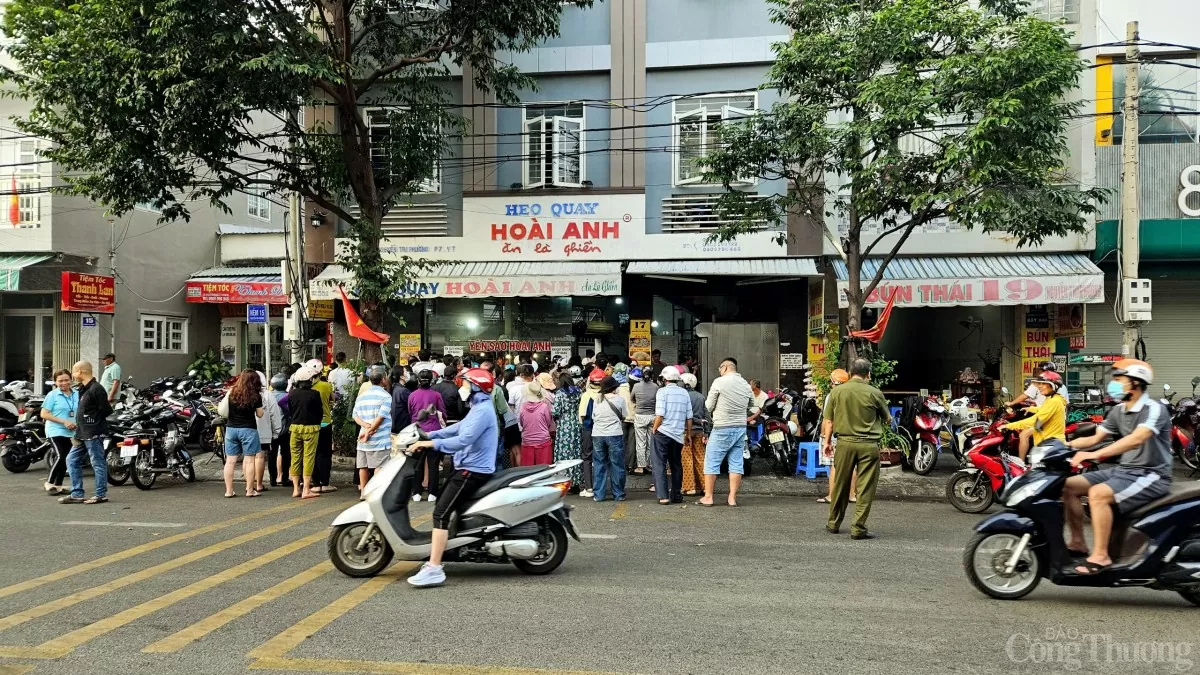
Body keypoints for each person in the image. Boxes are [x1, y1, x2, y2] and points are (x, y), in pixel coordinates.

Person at [1065, 359, 1172, 575]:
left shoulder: (1154, 409)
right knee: (1068, 486)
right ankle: (1078, 542)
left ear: (1136, 382)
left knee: (1098, 494)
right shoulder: (1118, 411)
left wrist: (1094, 455)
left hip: (1151, 474)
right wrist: (1062, 445)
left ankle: (1101, 556)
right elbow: (1095, 438)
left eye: (1118, 379)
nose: (1113, 383)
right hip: (1125, 471)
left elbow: (1136, 439)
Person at [405, 368, 499, 588]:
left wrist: (429, 443)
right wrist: (431, 434)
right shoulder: (478, 407)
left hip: (472, 470)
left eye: (466, 384)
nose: (462, 387)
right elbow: (459, 427)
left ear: (477, 387)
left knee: (440, 513)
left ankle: (434, 568)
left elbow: (463, 439)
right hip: (466, 466)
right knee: (445, 507)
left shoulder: (484, 410)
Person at [822, 358, 891, 540]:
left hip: (844, 443)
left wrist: (827, 442)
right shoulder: (874, 392)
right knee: (865, 487)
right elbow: (888, 419)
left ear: (850, 372)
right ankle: (858, 528)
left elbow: (829, 420)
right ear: (868, 374)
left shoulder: (837, 392)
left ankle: (833, 523)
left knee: (840, 485)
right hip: (869, 446)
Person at [701, 357, 756, 507]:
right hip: (740, 428)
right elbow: (752, 404)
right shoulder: (745, 384)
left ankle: (708, 497)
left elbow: (709, 405)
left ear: (725, 368)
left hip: (722, 427)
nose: (719, 371)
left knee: (712, 461)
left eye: (720, 368)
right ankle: (732, 498)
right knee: (736, 463)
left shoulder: (719, 382)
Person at [59, 361, 110, 504]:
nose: (73, 375)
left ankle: (100, 494)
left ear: (80, 371)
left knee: (97, 462)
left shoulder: (96, 389)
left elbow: (106, 410)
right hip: (82, 433)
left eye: (74, 372)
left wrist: (92, 420)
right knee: (71, 459)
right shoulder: (83, 389)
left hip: (93, 432)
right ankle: (77, 493)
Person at [218, 369, 264, 498]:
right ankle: (249, 490)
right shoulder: (255, 395)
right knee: (249, 461)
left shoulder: (232, 392)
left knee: (230, 461)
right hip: (249, 429)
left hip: (231, 429)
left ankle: (228, 491)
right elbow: (260, 414)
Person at [1005, 370, 1067, 463]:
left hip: (1050, 446)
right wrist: (1031, 409)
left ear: (1053, 385)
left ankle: (1021, 462)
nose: (1039, 386)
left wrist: (1008, 426)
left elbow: (1035, 420)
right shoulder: (1052, 398)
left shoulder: (1054, 401)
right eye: (1039, 384)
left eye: (1043, 384)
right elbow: (1044, 410)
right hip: (1047, 444)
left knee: (1023, 434)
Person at [651, 366, 690, 505]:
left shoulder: (662, 392)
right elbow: (689, 417)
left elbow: (660, 414)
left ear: (664, 379)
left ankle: (663, 496)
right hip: (678, 435)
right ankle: (677, 495)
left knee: (659, 464)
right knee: (676, 465)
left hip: (663, 433)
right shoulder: (684, 393)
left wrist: (654, 429)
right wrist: (688, 434)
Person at [409, 368, 447, 502]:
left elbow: (411, 412)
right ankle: (432, 493)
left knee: (417, 464)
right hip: (434, 432)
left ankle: (416, 493)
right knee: (433, 464)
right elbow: (442, 413)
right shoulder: (436, 395)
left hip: (417, 433)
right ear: (431, 380)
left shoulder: (412, 395)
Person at [818, 368, 855, 504]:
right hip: (851, 434)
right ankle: (852, 494)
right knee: (852, 465)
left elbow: (828, 419)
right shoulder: (853, 394)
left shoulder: (832, 395)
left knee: (833, 465)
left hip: (835, 435)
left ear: (833, 382)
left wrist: (824, 436)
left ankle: (831, 496)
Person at [287, 363, 325, 499]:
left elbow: (290, 411)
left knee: (295, 457)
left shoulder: (291, 393)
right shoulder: (315, 394)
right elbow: (320, 412)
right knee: (308, 457)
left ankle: (296, 489)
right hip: (311, 428)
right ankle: (306, 490)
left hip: (295, 427)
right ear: (310, 380)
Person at [353, 365, 393, 493]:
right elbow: (381, 417)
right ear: (383, 379)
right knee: (379, 466)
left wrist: (365, 427)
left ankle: (364, 492)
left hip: (362, 438)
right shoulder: (386, 396)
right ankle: (376, 493)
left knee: (363, 467)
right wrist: (370, 431)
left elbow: (355, 416)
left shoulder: (362, 396)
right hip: (379, 438)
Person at [589, 375, 628, 502]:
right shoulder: (620, 400)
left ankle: (599, 495)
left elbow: (593, 417)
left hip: (597, 434)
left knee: (599, 464)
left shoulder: (596, 399)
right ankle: (618, 494)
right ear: (614, 388)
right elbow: (624, 416)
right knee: (617, 464)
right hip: (615, 434)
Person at [41, 369, 78, 495]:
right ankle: (49, 483)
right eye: (60, 381)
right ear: (55, 382)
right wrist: (64, 421)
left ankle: (58, 485)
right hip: (55, 430)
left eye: (66, 380)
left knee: (67, 458)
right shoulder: (52, 395)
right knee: (61, 455)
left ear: (71, 380)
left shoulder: (77, 394)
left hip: (71, 431)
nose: (64, 383)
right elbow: (44, 414)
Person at [577, 368, 606, 498]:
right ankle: (602, 487)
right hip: (603, 430)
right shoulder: (607, 395)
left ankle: (589, 487)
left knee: (587, 458)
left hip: (588, 429)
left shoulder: (586, 395)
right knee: (602, 458)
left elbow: (581, 416)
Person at [551, 371, 583, 487]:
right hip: (576, 423)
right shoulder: (578, 391)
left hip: (564, 424)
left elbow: (555, 411)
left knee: (564, 453)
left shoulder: (560, 393)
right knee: (575, 452)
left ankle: (564, 480)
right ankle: (576, 481)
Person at [253, 371, 283, 493]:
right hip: (262, 431)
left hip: (242, 429)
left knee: (248, 458)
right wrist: (276, 432)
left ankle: (249, 485)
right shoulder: (267, 394)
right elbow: (274, 414)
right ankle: (259, 484)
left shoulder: (239, 393)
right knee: (259, 457)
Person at [680, 373, 708, 496]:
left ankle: (689, 487)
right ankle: (705, 486)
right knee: (700, 459)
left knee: (686, 459)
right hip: (699, 431)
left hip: (686, 431)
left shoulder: (683, 396)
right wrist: (706, 432)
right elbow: (707, 416)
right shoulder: (701, 397)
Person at [311, 364, 337, 494]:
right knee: (325, 454)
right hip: (325, 423)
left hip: (311, 424)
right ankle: (325, 483)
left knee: (313, 454)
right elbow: (333, 398)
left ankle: (315, 483)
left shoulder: (306, 387)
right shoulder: (327, 385)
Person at [518, 380, 554, 466]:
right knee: (544, 472)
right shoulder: (544, 407)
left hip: (527, 441)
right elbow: (548, 422)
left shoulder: (523, 407)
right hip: (543, 441)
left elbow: (522, 423)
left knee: (528, 472)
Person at [630, 366, 658, 476]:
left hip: (640, 416)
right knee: (650, 441)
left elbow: (632, 398)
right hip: (652, 416)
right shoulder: (656, 386)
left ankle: (641, 466)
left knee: (640, 443)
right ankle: (650, 465)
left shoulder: (636, 386)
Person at [268, 374, 291, 488]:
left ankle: (273, 479)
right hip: (286, 430)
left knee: (271, 454)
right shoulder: (288, 396)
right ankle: (285, 478)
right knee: (286, 454)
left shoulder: (268, 396)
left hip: (271, 430)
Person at [391, 364, 413, 433]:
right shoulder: (403, 391)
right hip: (402, 425)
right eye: (406, 372)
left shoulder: (395, 387)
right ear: (402, 377)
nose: (408, 373)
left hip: (396, 424)